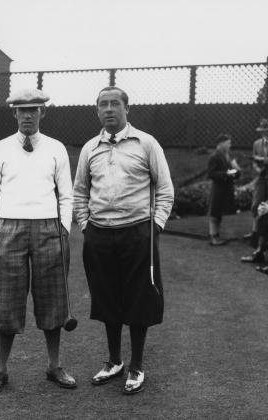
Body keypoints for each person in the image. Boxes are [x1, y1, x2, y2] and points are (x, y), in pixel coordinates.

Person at [73, 86, 174, 395]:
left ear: (127, 108)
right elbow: (79, 191)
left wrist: (154, 227)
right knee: (107, 297)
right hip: (99, 234)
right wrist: (85, 226)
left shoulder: (146, 143)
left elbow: (166, 189)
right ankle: (114, 360)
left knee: (139, 298)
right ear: (97, 111)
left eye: (115, 103)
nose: (109, 109)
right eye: (103, 105)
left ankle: (136, 365)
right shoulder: (90, 148)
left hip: (137, 232)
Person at [0, 88, 76, 395]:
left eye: (33, 110)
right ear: (14, 114)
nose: (28, 115)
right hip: (8, 230)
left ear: (42, 113)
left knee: (52, 302)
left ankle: (54, 365)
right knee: (6, 303)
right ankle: (0, 370)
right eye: (22, 111)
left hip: (50, 230)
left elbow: (66, 194)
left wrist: (64, 227)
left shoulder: (57, 148)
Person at [207, 133, 240, 246]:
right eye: (228, 143)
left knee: (219, 212)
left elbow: (234, 171)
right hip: (218, 188)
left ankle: (216, 235)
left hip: (225, 188)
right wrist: (225, 174)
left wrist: (236, 171)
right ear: (221, 144)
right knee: (214, 212)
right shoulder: (214, 156)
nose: (230, 145)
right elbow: (211, 173)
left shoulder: (228, 155)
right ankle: (213, 236)